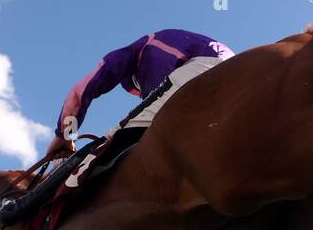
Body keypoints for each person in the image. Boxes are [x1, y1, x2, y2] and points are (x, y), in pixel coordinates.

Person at [44, 29, 234, 162]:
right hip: (231, 70)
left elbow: (80, 92)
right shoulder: (174, 42)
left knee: (114, 140)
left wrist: (65, 135)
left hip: (204, 66)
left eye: (136, 84)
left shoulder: (143, 50)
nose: (139, 91)